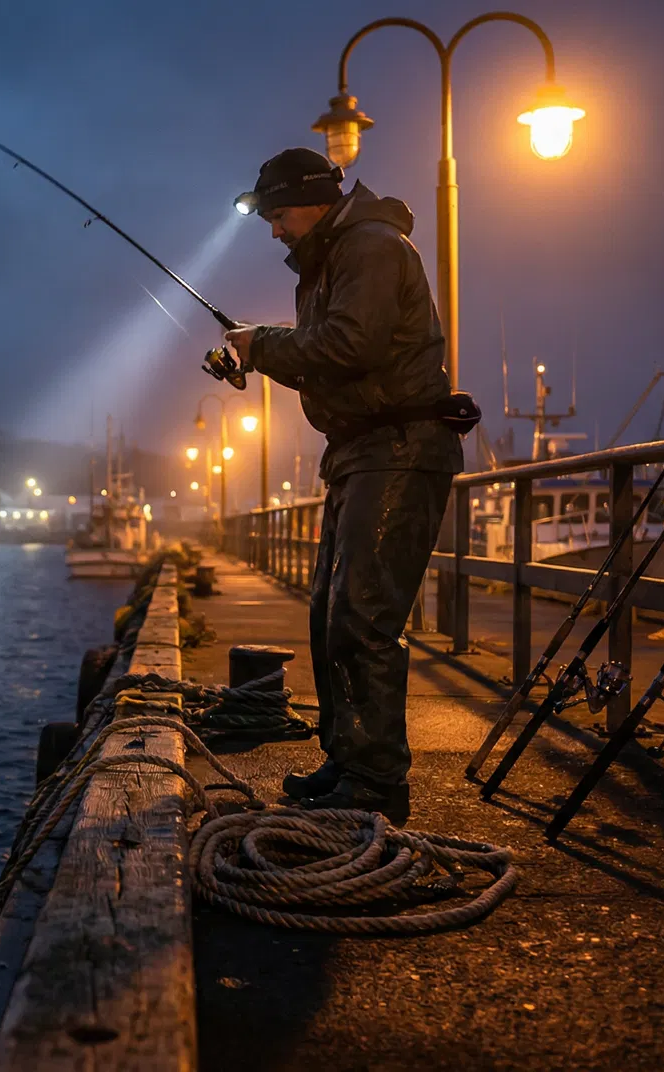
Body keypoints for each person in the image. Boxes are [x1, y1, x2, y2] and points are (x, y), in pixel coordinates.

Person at [221, 147, 470, 825]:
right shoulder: (334, 258)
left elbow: (349, 346)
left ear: (311, 198)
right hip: (360, 452)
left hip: (399, 449)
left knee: (363, 615)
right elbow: (332, 354)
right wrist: (258, 350)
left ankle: (378, 780)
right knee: (330, 615)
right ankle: (348, 757)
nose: (274, 229)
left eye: (278, 214)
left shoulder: (372, 248)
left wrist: (260, 345)